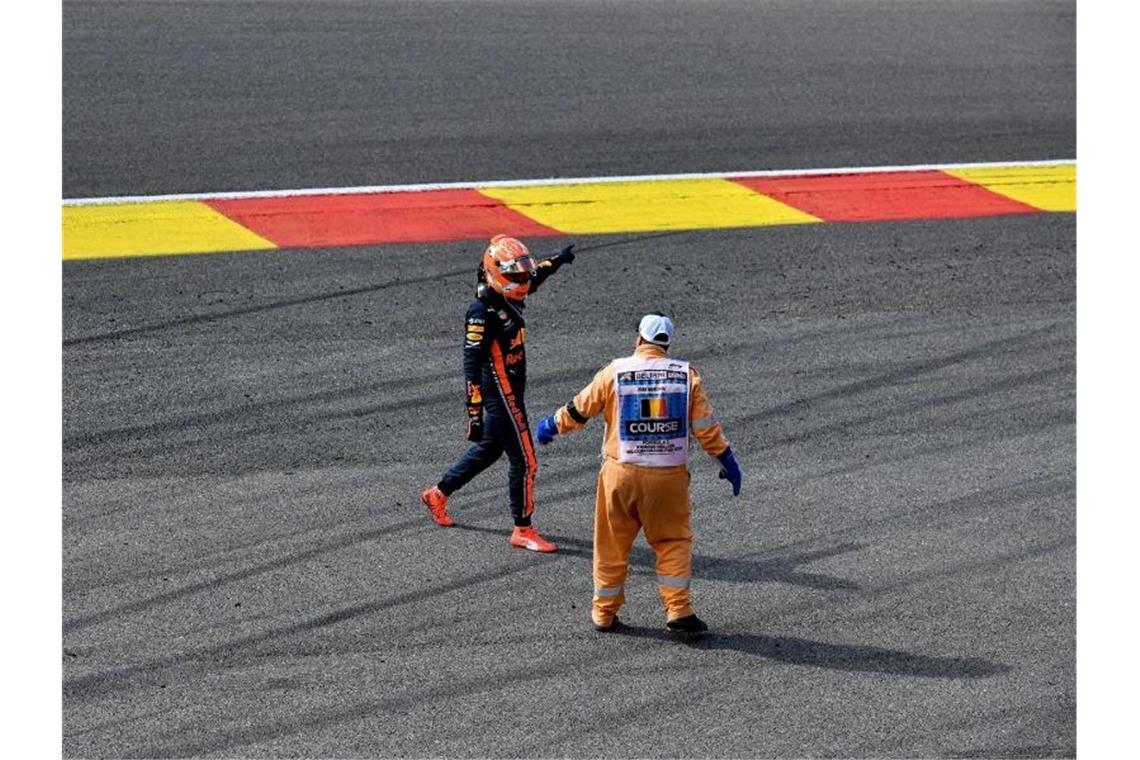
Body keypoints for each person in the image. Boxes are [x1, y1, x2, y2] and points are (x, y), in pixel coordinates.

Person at [533, 313, 742, 633]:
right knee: (672, 540)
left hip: (620, 475)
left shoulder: (614, 371)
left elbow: (580, 408)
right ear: (666, 345)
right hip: (668, 478)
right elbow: (706, 429)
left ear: (638, 340)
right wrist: (727, 461)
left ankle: (604, 613)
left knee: (611, 545)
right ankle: (678, 609)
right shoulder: (687, 376)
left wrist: (552, 425)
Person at [420, 234, 576, 553]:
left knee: (490, 449)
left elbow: (536, 275)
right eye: (514, 275)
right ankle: (523, 529)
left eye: (522, 274)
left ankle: (437, 494)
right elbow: (471, 364)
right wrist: (474, 412)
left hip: (512, 391)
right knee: (526, 462)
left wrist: (558, 260)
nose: (522, 281)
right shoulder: (481, 312)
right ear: (494, 272)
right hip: (500, 394)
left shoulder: (509, 292)